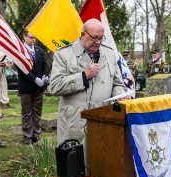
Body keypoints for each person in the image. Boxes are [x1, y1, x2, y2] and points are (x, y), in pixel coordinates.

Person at [48, 18, 130, 148]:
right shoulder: (64, 54)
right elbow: (54, 86)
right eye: (94, 38)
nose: (98, 42)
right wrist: (84, 76)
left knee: (100, 161)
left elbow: (117, 83)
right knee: (75, 164)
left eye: (101, 38)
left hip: (102, 119)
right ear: (83, 34)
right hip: (74, 122)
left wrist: (120, 95)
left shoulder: (109, 53)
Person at [17, 31, 49, 145]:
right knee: (27, 112)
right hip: (26, 86)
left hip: (39, 87)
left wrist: (45, 76)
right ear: (24, 37)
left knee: (37, 111)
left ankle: (36, 134)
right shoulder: (20, 51)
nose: (33, 40)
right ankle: (27, 136)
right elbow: (22, 69)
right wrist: (35, 79)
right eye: (31, 37)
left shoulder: (39, 50)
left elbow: (45, 64)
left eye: (35, 38)